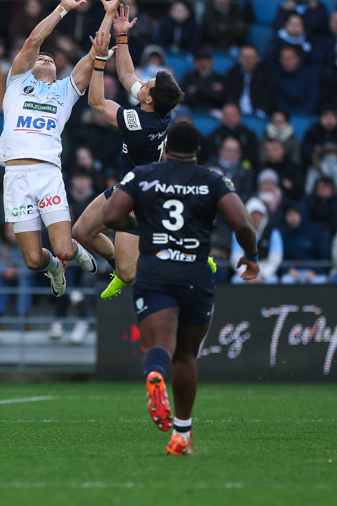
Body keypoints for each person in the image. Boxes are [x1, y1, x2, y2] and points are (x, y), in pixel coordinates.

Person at [103, 121, 259, 456]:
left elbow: (111, 215)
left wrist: (143, 226)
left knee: (159, 345)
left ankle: (154, 375)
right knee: (186, 355)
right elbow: (243, 224)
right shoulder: (212, 179)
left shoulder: (143, 174)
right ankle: (181, 435)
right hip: (195, 274)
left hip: (155, 271)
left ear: (166, 147)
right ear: (198, 151)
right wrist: (252, 256)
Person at [0, 0, 105, 297]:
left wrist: (109, 17)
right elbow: (32, 41)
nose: (45, 58)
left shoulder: (65, 91)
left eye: (52, 59)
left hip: (47, 174)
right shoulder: (16, 83)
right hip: (16, 176)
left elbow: (96, 51)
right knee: (32, 260)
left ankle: (75, 255)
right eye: (42, 57)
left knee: (65, 249)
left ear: (58, 72)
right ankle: (54, 269)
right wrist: (62, 9)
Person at [73, 1, 188, 300]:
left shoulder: (141, 123)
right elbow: (126, 76)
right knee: (82, 232)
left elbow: (97, 102)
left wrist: (99, 60)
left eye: (145, 86)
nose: (141, 83)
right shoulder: (161, 108)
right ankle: (147, 255)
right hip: (129, 185)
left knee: (129, 272)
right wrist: (121, 37)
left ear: (148, 100)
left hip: (140, 196)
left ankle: (184, 260)